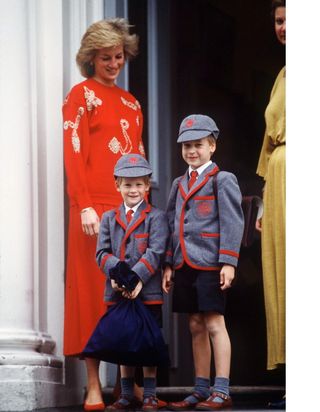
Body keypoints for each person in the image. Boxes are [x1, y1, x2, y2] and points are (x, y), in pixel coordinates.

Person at [62, 18, 145, 410]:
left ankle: (126, 386)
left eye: (119, 57)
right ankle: (93, 384)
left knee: (129, 294)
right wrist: (83, 204)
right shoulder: (80, 95)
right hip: (93, 208)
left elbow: (139, 159)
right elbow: (73, 152)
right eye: (106, 57)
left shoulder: (132, 103)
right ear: (91, 57)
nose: (114, 64)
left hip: (128, 210)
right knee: (94, 296)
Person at [163, 114, 244, 410]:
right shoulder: (177, 183)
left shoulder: (222, 179)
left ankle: (221, 389)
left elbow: (233, 222)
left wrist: (229, 261)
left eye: (198, 145)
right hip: (184, 263)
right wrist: (169, 263)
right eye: (186, 146)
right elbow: (172, 224)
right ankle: (200, 388)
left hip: (211, 263)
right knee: (195, 324)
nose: (191, 151)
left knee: (213, 323)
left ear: (212, 146)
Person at [94, 154, 169, 411]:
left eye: (138, 184)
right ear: (117, 185)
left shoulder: (156, 217)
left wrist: (135, 278)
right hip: (117, 291)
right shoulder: (108, 218)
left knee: (148, 341)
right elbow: (102, 253)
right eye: (127, 184)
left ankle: (149, 393)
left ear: (147, 185)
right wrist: (118, 278)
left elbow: (156, 251)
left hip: (147, 290)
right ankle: (126, 394)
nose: (133, 190)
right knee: (124, 341)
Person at [256, 1, 286, 409]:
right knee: (280, 273)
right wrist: (263, 205)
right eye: (280, 21)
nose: (285, 29)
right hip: (279, 181)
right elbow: (268, 143)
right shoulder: (282, 75)